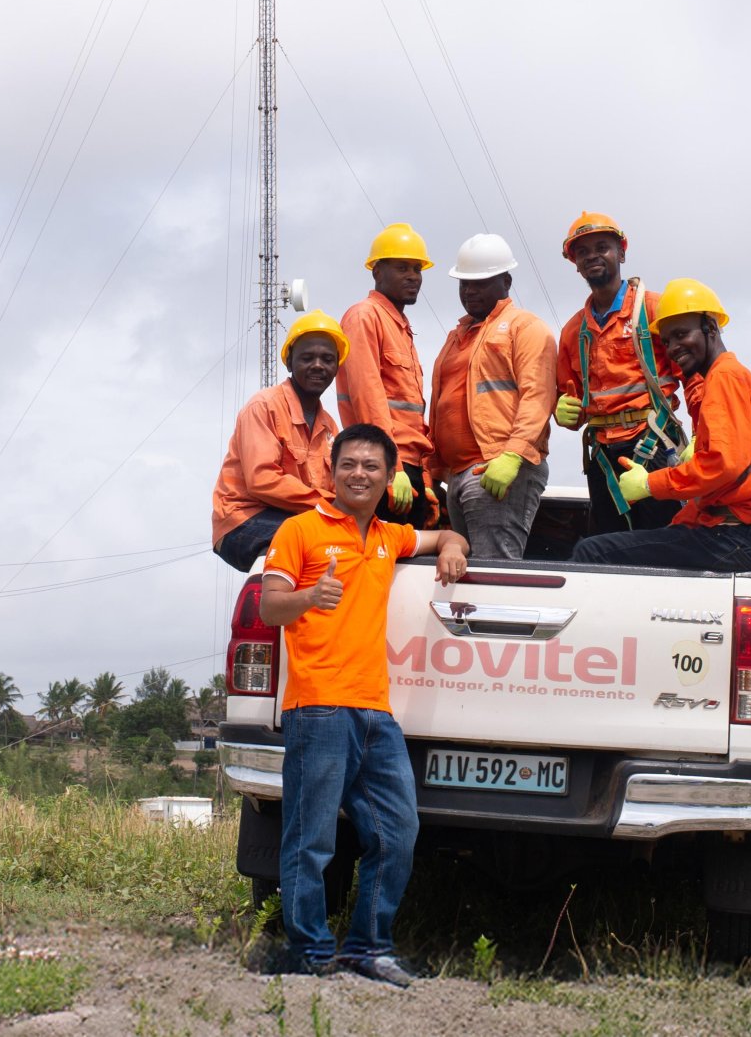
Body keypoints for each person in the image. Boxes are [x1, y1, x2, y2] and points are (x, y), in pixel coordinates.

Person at [259, 422, 469, 984]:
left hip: (377, 712)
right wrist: (310, 595)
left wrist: (454, 548)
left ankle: (367, 948)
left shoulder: (388, 536)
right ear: (331, 472)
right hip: (319, 706)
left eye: (371, 466)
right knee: (312, 839)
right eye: (348, 464)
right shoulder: (300, 531)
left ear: (388, 477)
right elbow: (269, 608)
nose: (359, 474)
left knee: (398, 834)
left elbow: (444, 536)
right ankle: (308, 951)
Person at [571, 279, 751, 578]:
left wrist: (648, 484)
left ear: (711, 328)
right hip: (746, 536)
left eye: (681, 334)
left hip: (739, 538)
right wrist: (675, 526)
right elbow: (717, 491)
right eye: (666, 341)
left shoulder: (723, 378)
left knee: (591, 552)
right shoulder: (729, 376)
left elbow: (720, 465)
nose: (673, 347)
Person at [553, 212, 686, 535]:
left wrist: (703, 437)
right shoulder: (575, 331)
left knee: (660, 541)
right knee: (609, 546)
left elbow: (696, 377)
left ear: (622, 253)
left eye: (602, 247)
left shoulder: (654, 310)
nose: (592, 256)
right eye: (582, 252)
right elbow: (568, 398)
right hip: (602, 454)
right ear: (575, 263)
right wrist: (563, 412)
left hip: (653, 442)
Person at [428, 233, 557, 560]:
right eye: (464, 284)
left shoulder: (524, 326)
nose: (469, 291)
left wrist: (513, 455)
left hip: (496, 468)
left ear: (506, 281)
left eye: (480, 283)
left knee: (493, 571)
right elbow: (442, 405)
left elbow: (538, 395)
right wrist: (434, 467)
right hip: (459, 475)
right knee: (468, 574)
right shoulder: (455, 337)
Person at [210, 311, 347, 572]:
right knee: (327, 546)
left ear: (337, 367)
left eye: (328, 359)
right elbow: (262, 480)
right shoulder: (264, 406)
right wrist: (332, 506)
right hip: (243, 519)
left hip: (293, 517)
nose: (318, 365)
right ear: (289, 362)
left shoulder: (329, 427)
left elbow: (338, 487)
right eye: (307, 358)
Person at [337, 224, 439, 527]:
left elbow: (412, 419)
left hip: (408, 468)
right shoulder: (364, 316)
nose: (413, 276)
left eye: (417, 269)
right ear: (377, 272)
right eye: (402, 268)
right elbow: (368, 397)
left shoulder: (400, 327)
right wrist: (390, 467)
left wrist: (426, 479)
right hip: (384, 465)